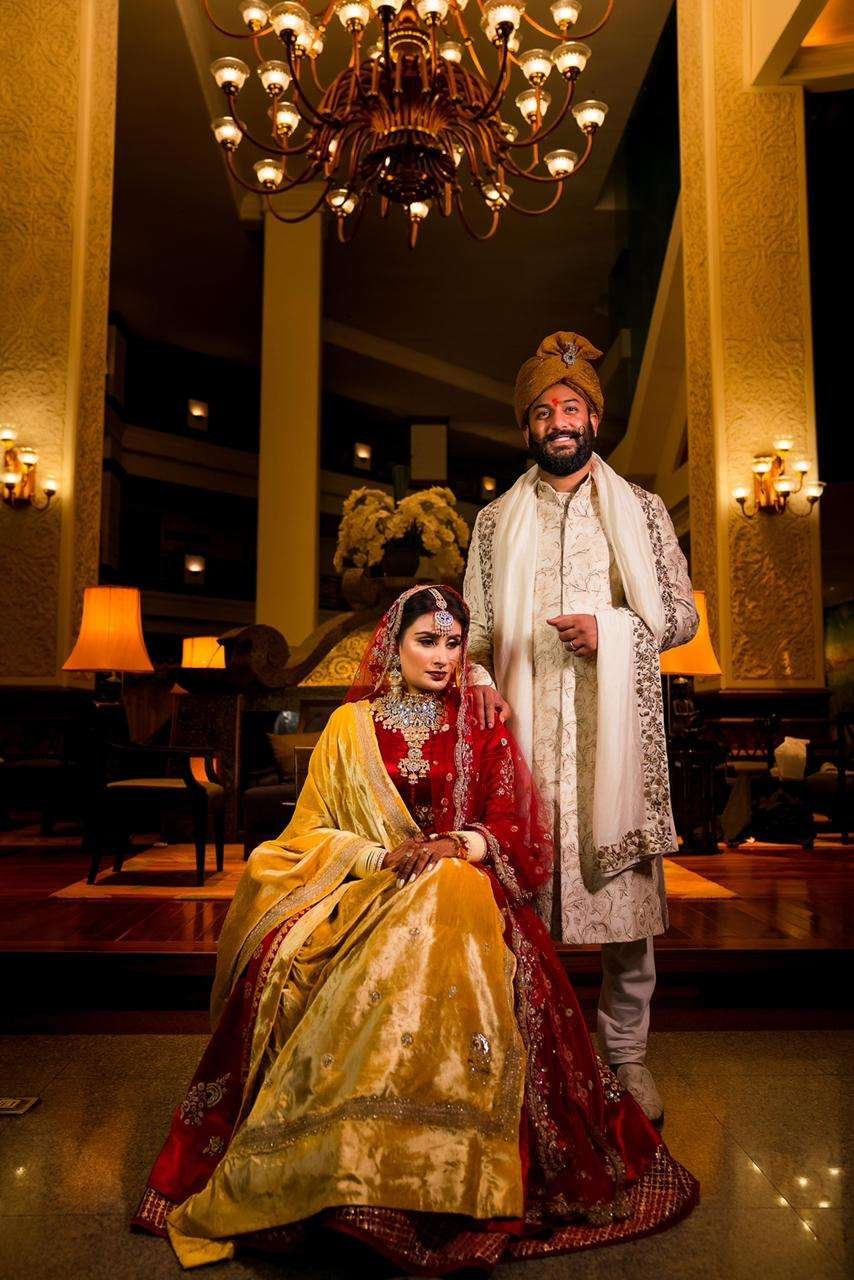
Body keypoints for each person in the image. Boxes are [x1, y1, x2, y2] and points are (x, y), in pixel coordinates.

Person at [134, 586, 697, 1273]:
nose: (442, 657)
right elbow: (308, 833)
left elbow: (516, 826)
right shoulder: (350, 727)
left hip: (462, 887)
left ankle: (426, 1180)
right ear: (392, 647)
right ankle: (338, 1168)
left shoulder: (480, 718)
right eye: (426, 641)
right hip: (367, 887)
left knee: (444, 897)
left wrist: (456, 845)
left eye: (453, 643)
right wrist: (377, 858)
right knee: (313, 959)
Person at [464, 331, 699, 1127]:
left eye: (571, 408)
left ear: (594, 419)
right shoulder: (495, 522)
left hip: (613, 742)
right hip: (524, 743)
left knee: (626, 911)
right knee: (512, 906)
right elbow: (477, 634)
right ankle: (519, 1049)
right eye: (542, 411)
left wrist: (611, 628)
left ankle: (626, 1057)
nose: (558, 421)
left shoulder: (643, 511)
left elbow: (680, 616)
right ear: (526, 427)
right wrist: (483, 685)